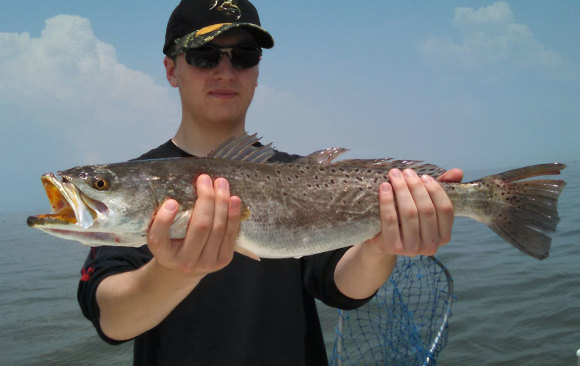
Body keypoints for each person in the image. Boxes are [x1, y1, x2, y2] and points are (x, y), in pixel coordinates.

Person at [77, 1, 463, 365]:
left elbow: (341, 287)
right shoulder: (136, 179)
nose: (225, 71)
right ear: (171, 69)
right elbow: (111, 318)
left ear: (258, 71)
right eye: (203, 56)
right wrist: (173, 272)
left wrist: (382, 246)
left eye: (244, 56)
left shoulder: (300, 177)